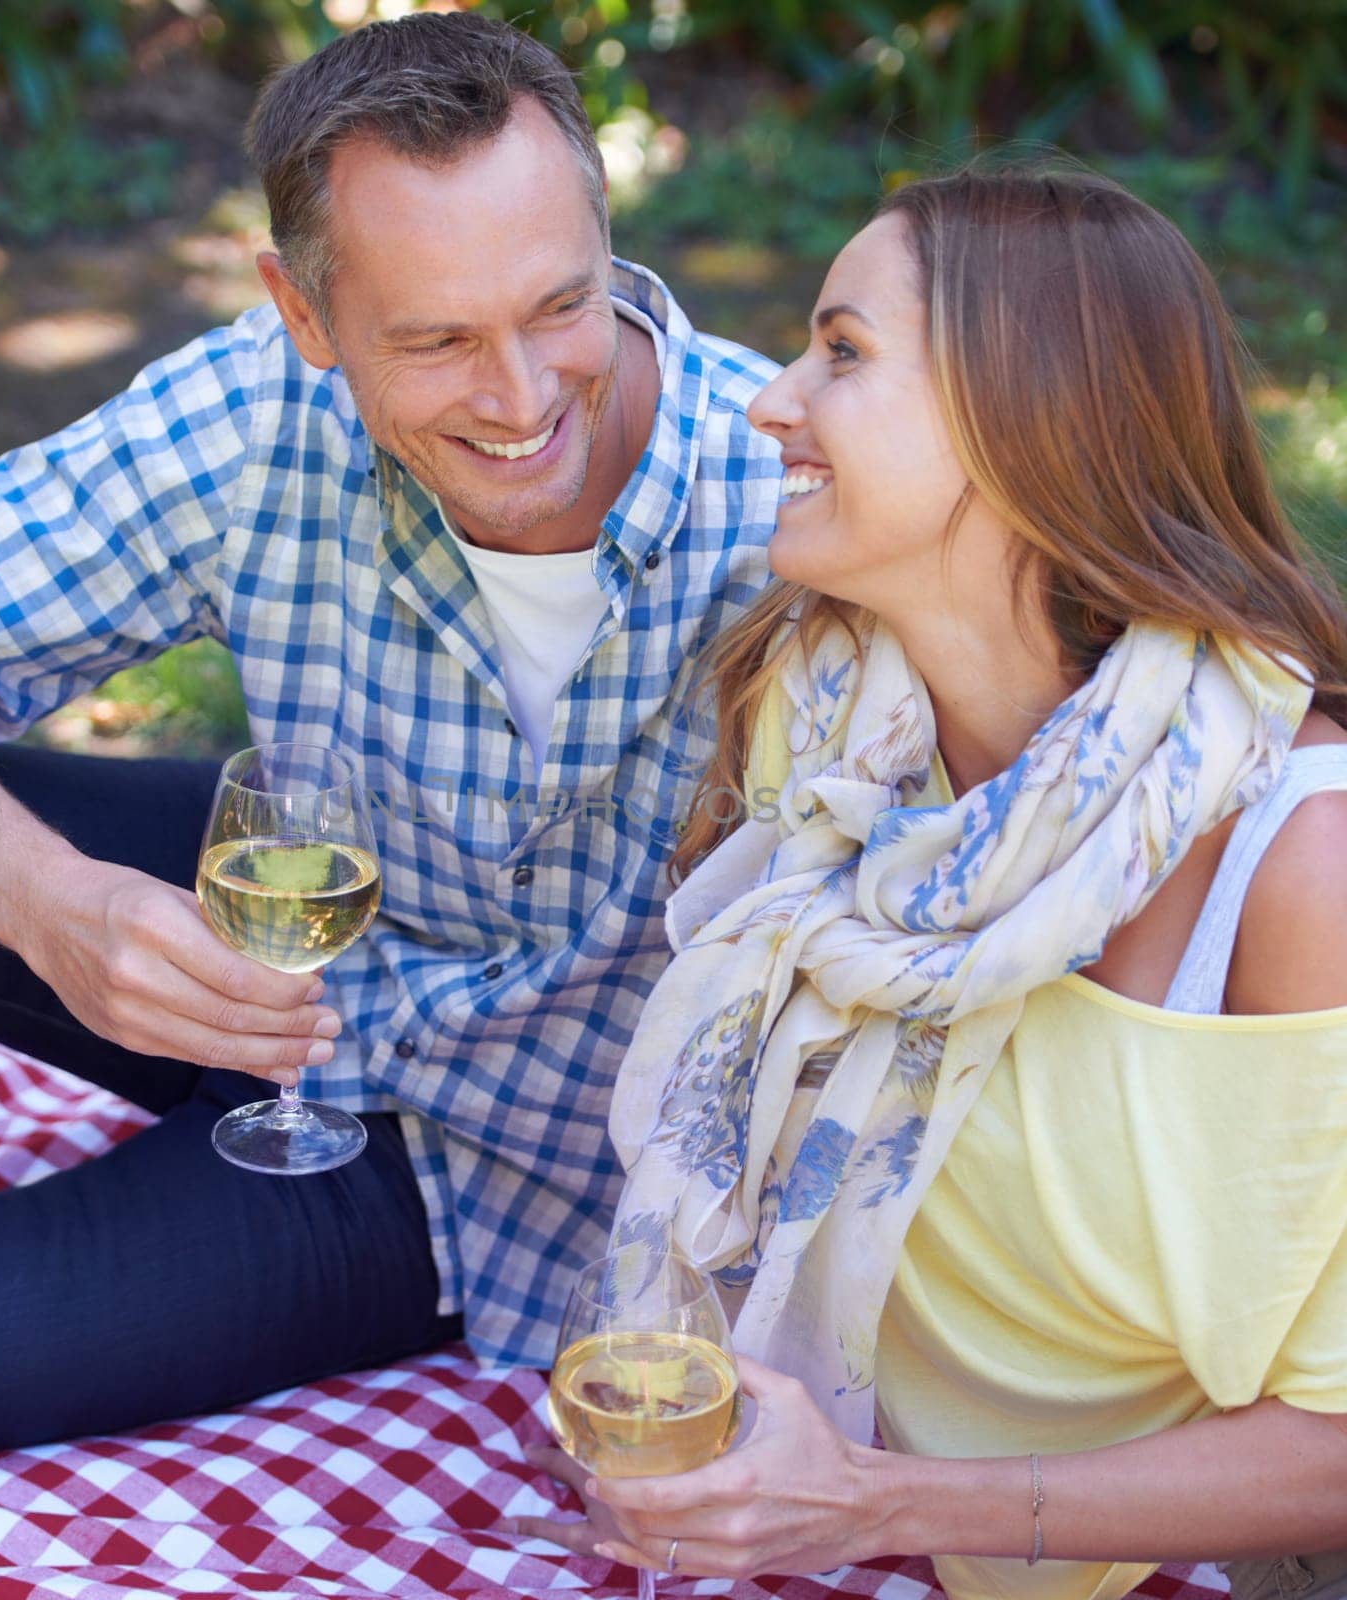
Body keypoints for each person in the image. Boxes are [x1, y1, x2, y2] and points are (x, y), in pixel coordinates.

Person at [0, 13, 781, 1479]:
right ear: (305, 316)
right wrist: (56, 910)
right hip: (262, 916)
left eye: (561, 305)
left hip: (454, 1160)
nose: (524, 396)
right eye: (433, 339)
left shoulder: (797, 504)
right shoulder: (259, 405)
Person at [502, 165, 1347, 1600]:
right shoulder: (832, 727)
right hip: (895, 1521)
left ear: (1030, 423)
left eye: (841, 354)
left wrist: (871, 1504)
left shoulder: (1298, 861)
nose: (772, 401)